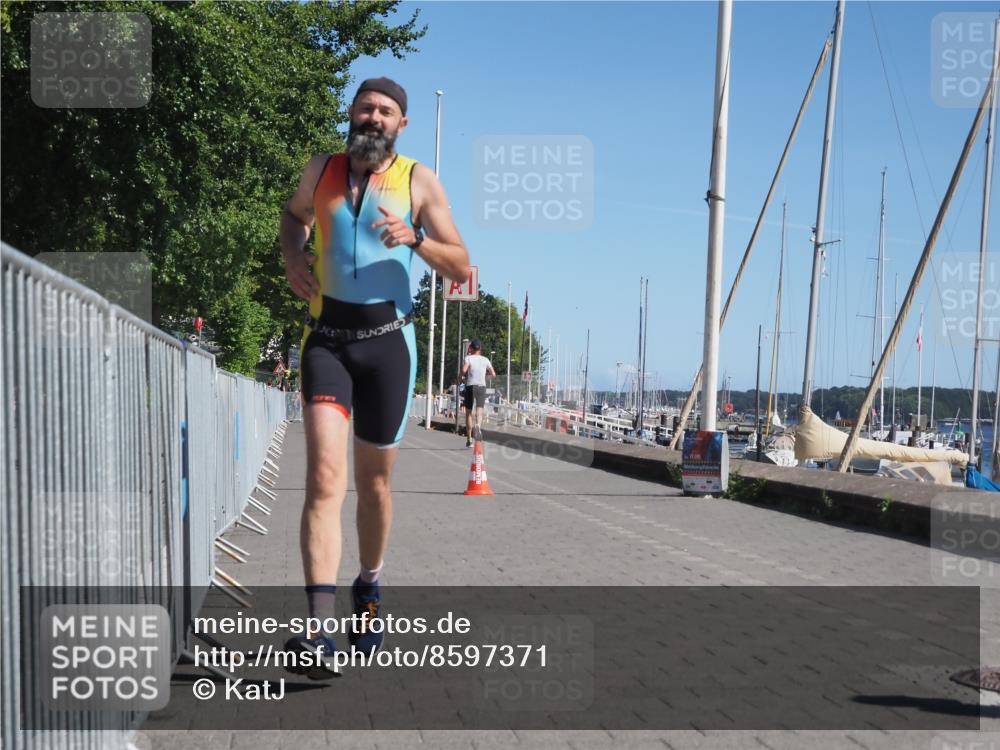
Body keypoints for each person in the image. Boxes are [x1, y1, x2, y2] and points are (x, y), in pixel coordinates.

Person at [279, 77, 470, 678]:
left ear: (401, 125)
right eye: (365, 108)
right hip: (327, 341)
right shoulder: (321, 168)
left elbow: (462, 263)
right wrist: (292, 256)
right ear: (351, 113)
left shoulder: (418, 180)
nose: (373, 117)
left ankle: (369, 584)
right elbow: (293, 217)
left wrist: (418, 239)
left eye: (385, 111)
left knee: (375, 487)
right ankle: (317, 630)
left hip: (390, 344)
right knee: (323, 480)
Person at [460, 339, 496, 447]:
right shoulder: (486, 359)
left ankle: (469, 439)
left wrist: (459, 378)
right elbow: (493, 374)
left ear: (471, 348)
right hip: (482, 386)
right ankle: (478, 427)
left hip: (471, 386)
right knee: (479, 411)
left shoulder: (468, 358)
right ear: (480, 348)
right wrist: (486, 377)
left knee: (469, 413)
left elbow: (464, 370)